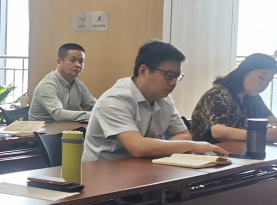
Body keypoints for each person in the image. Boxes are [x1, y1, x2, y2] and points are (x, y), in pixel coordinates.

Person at [83, 41, 227, 161]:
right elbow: (138, 147)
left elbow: (184, 135)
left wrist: (156, 149)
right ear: (143, 71)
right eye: (168, 75)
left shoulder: (164, 99)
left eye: (177, 77)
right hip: (104, 176)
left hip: (143, 170)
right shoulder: (115, 100)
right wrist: (191, 146)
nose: (173, 83)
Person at [190, 53, 277, 143]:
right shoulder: (219, 95)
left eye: (269, 80)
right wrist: (261, 135)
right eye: (262, 77)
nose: (264, 84)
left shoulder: (252, 97)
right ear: (245, 71)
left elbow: (273, 122)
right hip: (210, 150)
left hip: (239, 149)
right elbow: (218, 132)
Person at [29, 43, 98, 122]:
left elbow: (95, 107)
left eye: (81, 61)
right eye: (72, 60)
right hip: (43, 129)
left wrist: (104, 112)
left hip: (67, 128)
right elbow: (59, 115)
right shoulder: (47, 85)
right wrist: (96, 115)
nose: (78, 65)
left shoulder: (79, 85)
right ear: (59, 62)